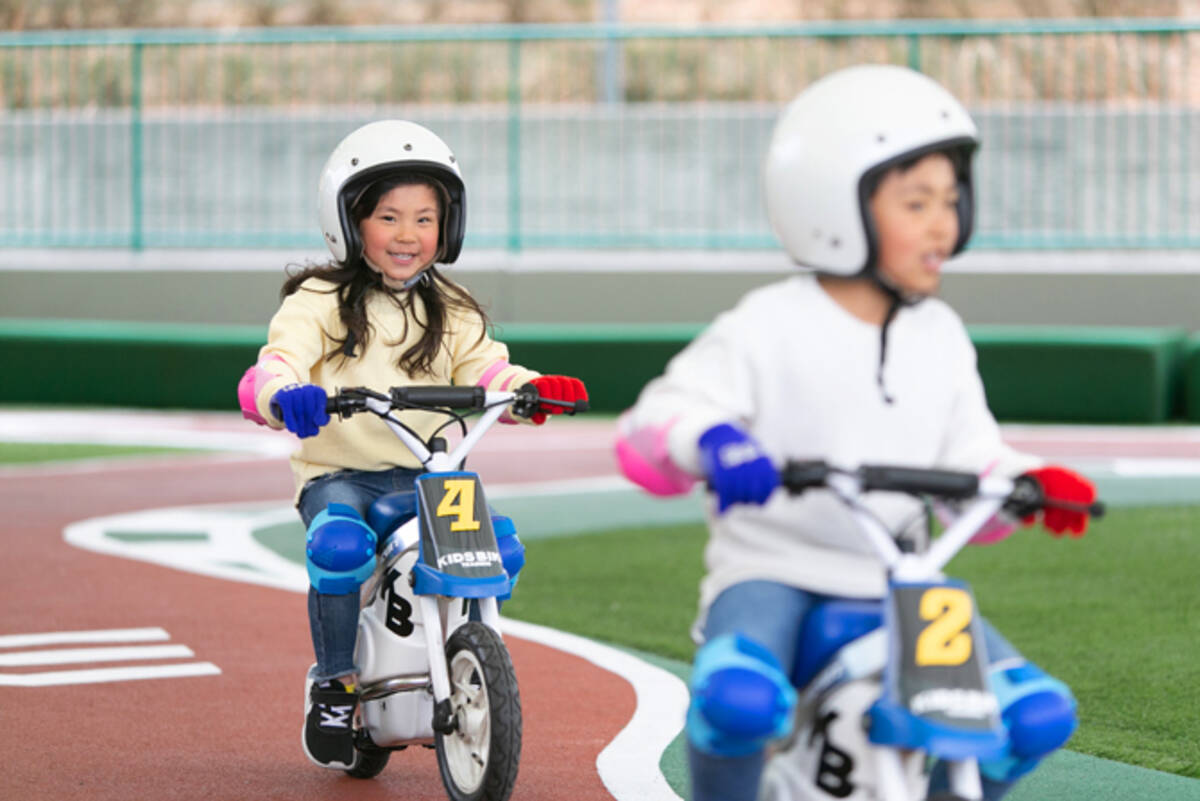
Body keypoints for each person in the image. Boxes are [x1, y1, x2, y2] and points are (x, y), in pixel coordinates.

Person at [613, 65, 1098, 801]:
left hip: (900, 581)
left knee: (1032, 714)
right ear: (831, 206)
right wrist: (715, 441)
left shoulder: (941, 335)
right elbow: (659, 419)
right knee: (736, 699)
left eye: (949, 200)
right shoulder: (767, 323)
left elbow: (972, 452)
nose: (943, 221)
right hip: (770, 574)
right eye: (916, 202)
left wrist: (1026, 484)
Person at [237, 119, 587, 771]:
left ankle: (466, 649)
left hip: (425, 471)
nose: (407, 235)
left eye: (425, 219)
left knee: (497, 545)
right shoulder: (319, 301)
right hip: (340, 471)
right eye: (389, 217)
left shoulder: (451, 308)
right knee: (340, 545)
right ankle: (336, 682)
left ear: (446, 228)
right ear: (350, 222)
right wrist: (286, 395)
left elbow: (488, 368)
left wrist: (531, 389)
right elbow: (273, 365)